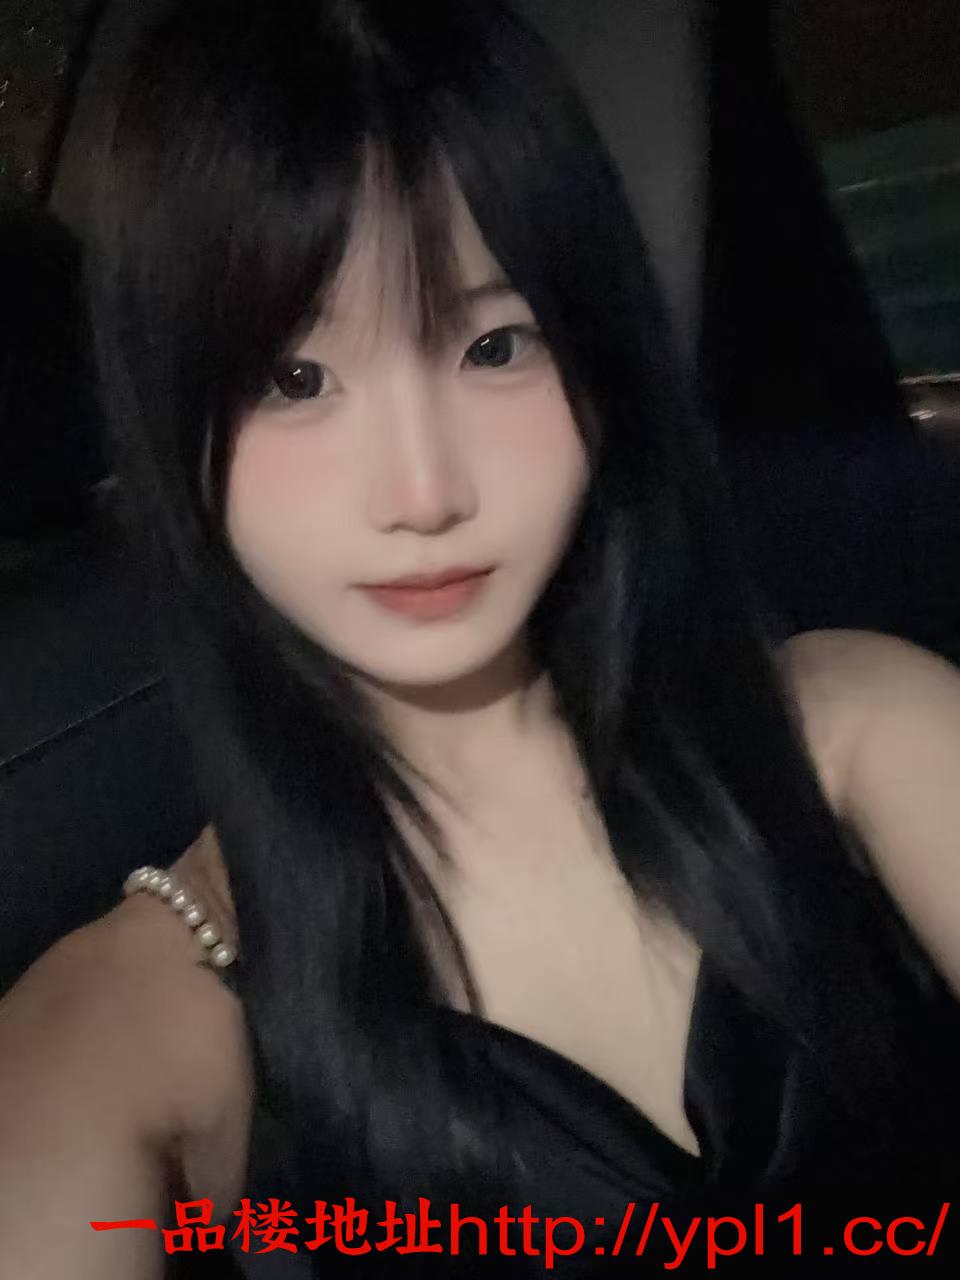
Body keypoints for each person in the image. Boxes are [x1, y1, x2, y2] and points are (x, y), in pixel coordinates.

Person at [2, 1, 960, 1275]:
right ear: (171, 425)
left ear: (599, 356)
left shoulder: (860, 730)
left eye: (495, 345)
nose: (423, 491)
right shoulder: (118, 1036)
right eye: (296, 379)